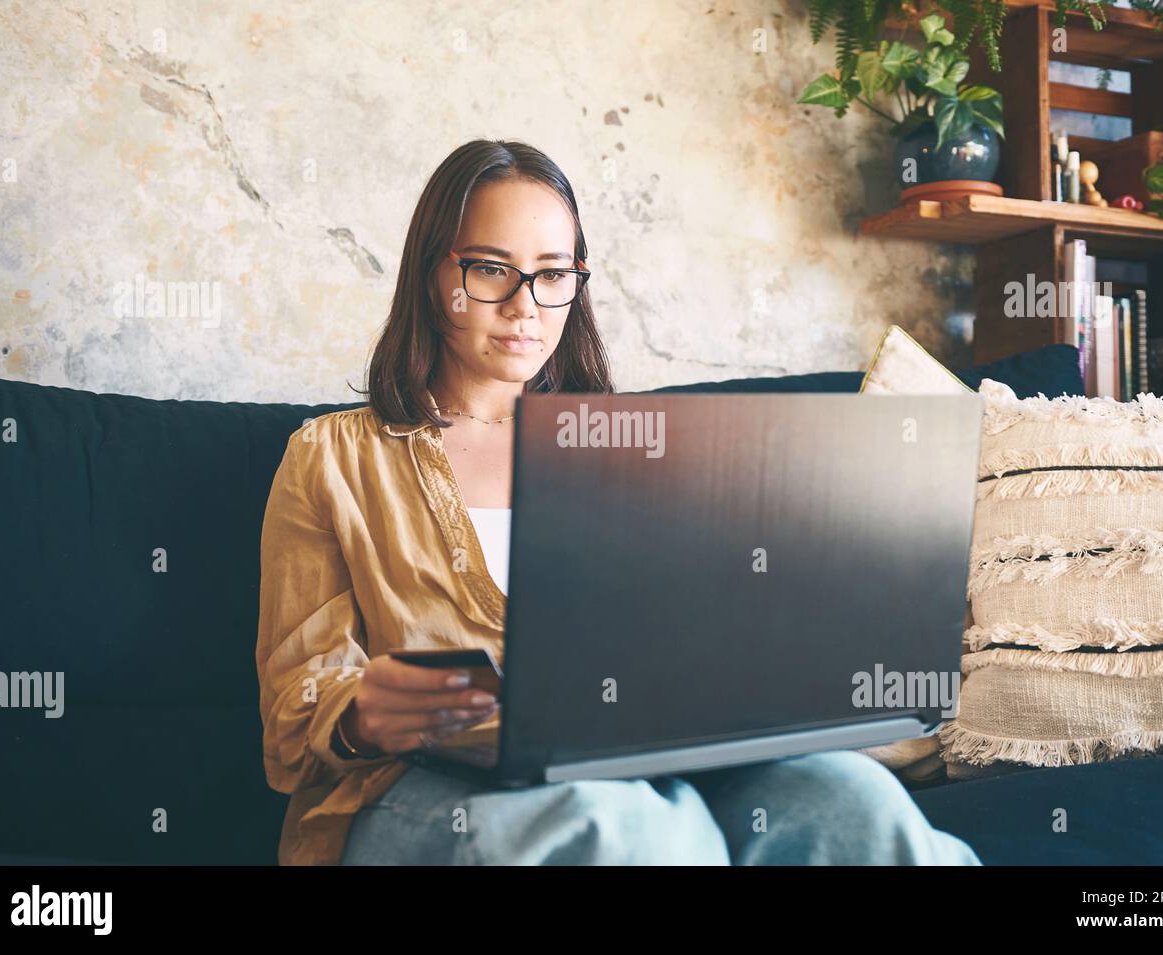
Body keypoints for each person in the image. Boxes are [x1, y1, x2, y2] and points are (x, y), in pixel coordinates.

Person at [254, 138, 982, 866]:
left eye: (551, 275)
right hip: (410, 786)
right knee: (637, 831)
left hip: (634, 764)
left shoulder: (629, 454)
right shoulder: (330, 458)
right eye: (490, 269)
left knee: (850, 800)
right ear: (430, 271)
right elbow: (292, 719)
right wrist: (362, 715)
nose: (524, 306)